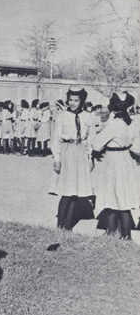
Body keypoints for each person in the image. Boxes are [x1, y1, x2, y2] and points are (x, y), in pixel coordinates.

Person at [91, 92, 140, 239]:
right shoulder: (133, 123)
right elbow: (136, 147)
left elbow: (96, 144)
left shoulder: (114, 124)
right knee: (122, 196)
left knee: (112, 196)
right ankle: (117, 232)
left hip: (113, 160)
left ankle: (119, 233)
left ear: (113, 107)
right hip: (126, 160)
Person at [50, 87, 96, 230]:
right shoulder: (61, 116)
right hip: (67, 151)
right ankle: (60, 224)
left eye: (76, 100)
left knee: (77, 191)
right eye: (70, 100)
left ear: (82, 101)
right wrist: (57, 158)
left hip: (81, 152)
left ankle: (68, 226)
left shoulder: (89, 117)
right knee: (66, 191)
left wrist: (90, 158)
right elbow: (55, 139)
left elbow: (91, 139)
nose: (73, 103)